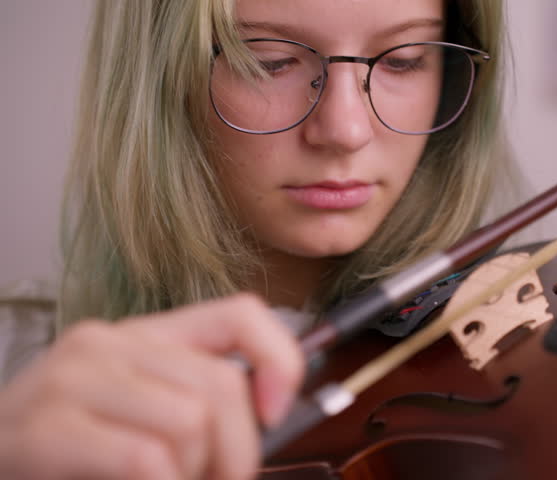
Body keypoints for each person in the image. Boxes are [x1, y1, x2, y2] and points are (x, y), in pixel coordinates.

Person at [0, 0, 515, 478]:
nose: (345, 129)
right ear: (158, 76)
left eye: (403, 60)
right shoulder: (17, 369)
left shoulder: (508, 347)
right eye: (268, 62)